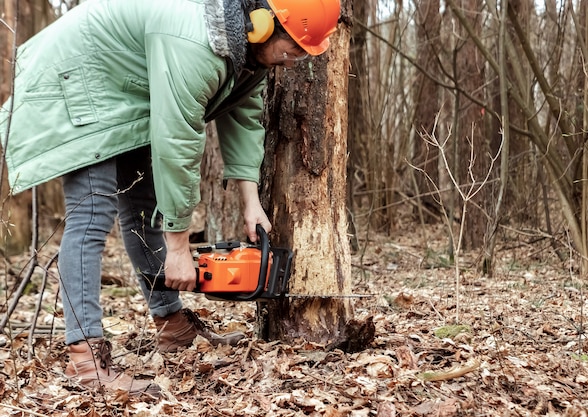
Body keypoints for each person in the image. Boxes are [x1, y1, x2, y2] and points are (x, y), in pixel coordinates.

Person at [0, 0, 340, 397]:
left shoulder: (247, 53)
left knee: (142, 203)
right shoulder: (196, 44)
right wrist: (177, 246)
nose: (296, 60)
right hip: (76, 73)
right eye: (295, 47)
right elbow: (176, 145)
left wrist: (251, 199)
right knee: (93, 210)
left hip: (123, 86)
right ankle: (86, 360)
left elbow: (244, 117)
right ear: (264, 24)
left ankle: (172, 326)